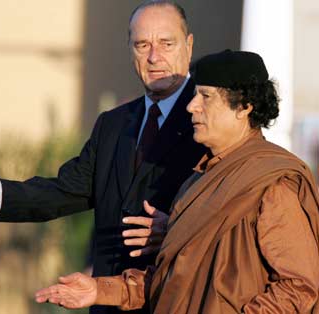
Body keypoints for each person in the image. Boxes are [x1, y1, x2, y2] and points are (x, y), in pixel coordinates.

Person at [35, 50, 319, 313]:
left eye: (206, 96)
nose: (192, 106)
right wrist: (100, 289)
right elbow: (173, 280)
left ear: (244, 106)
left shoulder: (273, 182)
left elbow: (299, 287)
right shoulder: (198, 179)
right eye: (194, 95)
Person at [0, 1, 205, 313]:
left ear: (188, 46)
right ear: (130, 50)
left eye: (166, 43)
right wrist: (0, 194)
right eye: (142, 44)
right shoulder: (114, 123)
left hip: (173, 301)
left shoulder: (211, 118)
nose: (153, 56)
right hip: (106, 303)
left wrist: (177, 227)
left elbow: (233, 208)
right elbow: (69, 189)